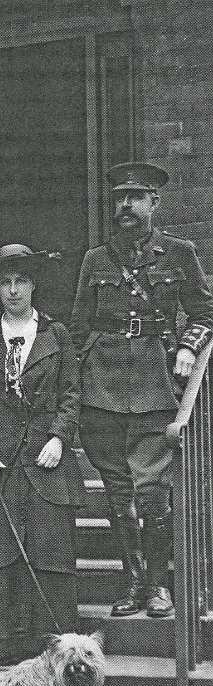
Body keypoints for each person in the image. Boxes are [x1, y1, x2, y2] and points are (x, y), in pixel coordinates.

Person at [70, 161, 213, 618]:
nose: (125, 206)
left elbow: (206, 312)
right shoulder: (96, 258)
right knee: (117, 491)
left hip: (155, 382)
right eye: (119, 199)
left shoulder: (178, 251)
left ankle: (158, 583)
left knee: (152, 492)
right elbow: (79, 323)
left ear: (155, 203)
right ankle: (131, 580)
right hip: (101, 386)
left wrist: (189, 347)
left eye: (135, 198)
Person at [0, 245, 83, 665]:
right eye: (5, 283)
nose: (13, 290)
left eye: (21, 281)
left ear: (34, 285)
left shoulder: (58, 335)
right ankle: (1, 642)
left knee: (49, 545)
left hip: (45, 452)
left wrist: (59, 438)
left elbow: (71, 394)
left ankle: (53, 643)